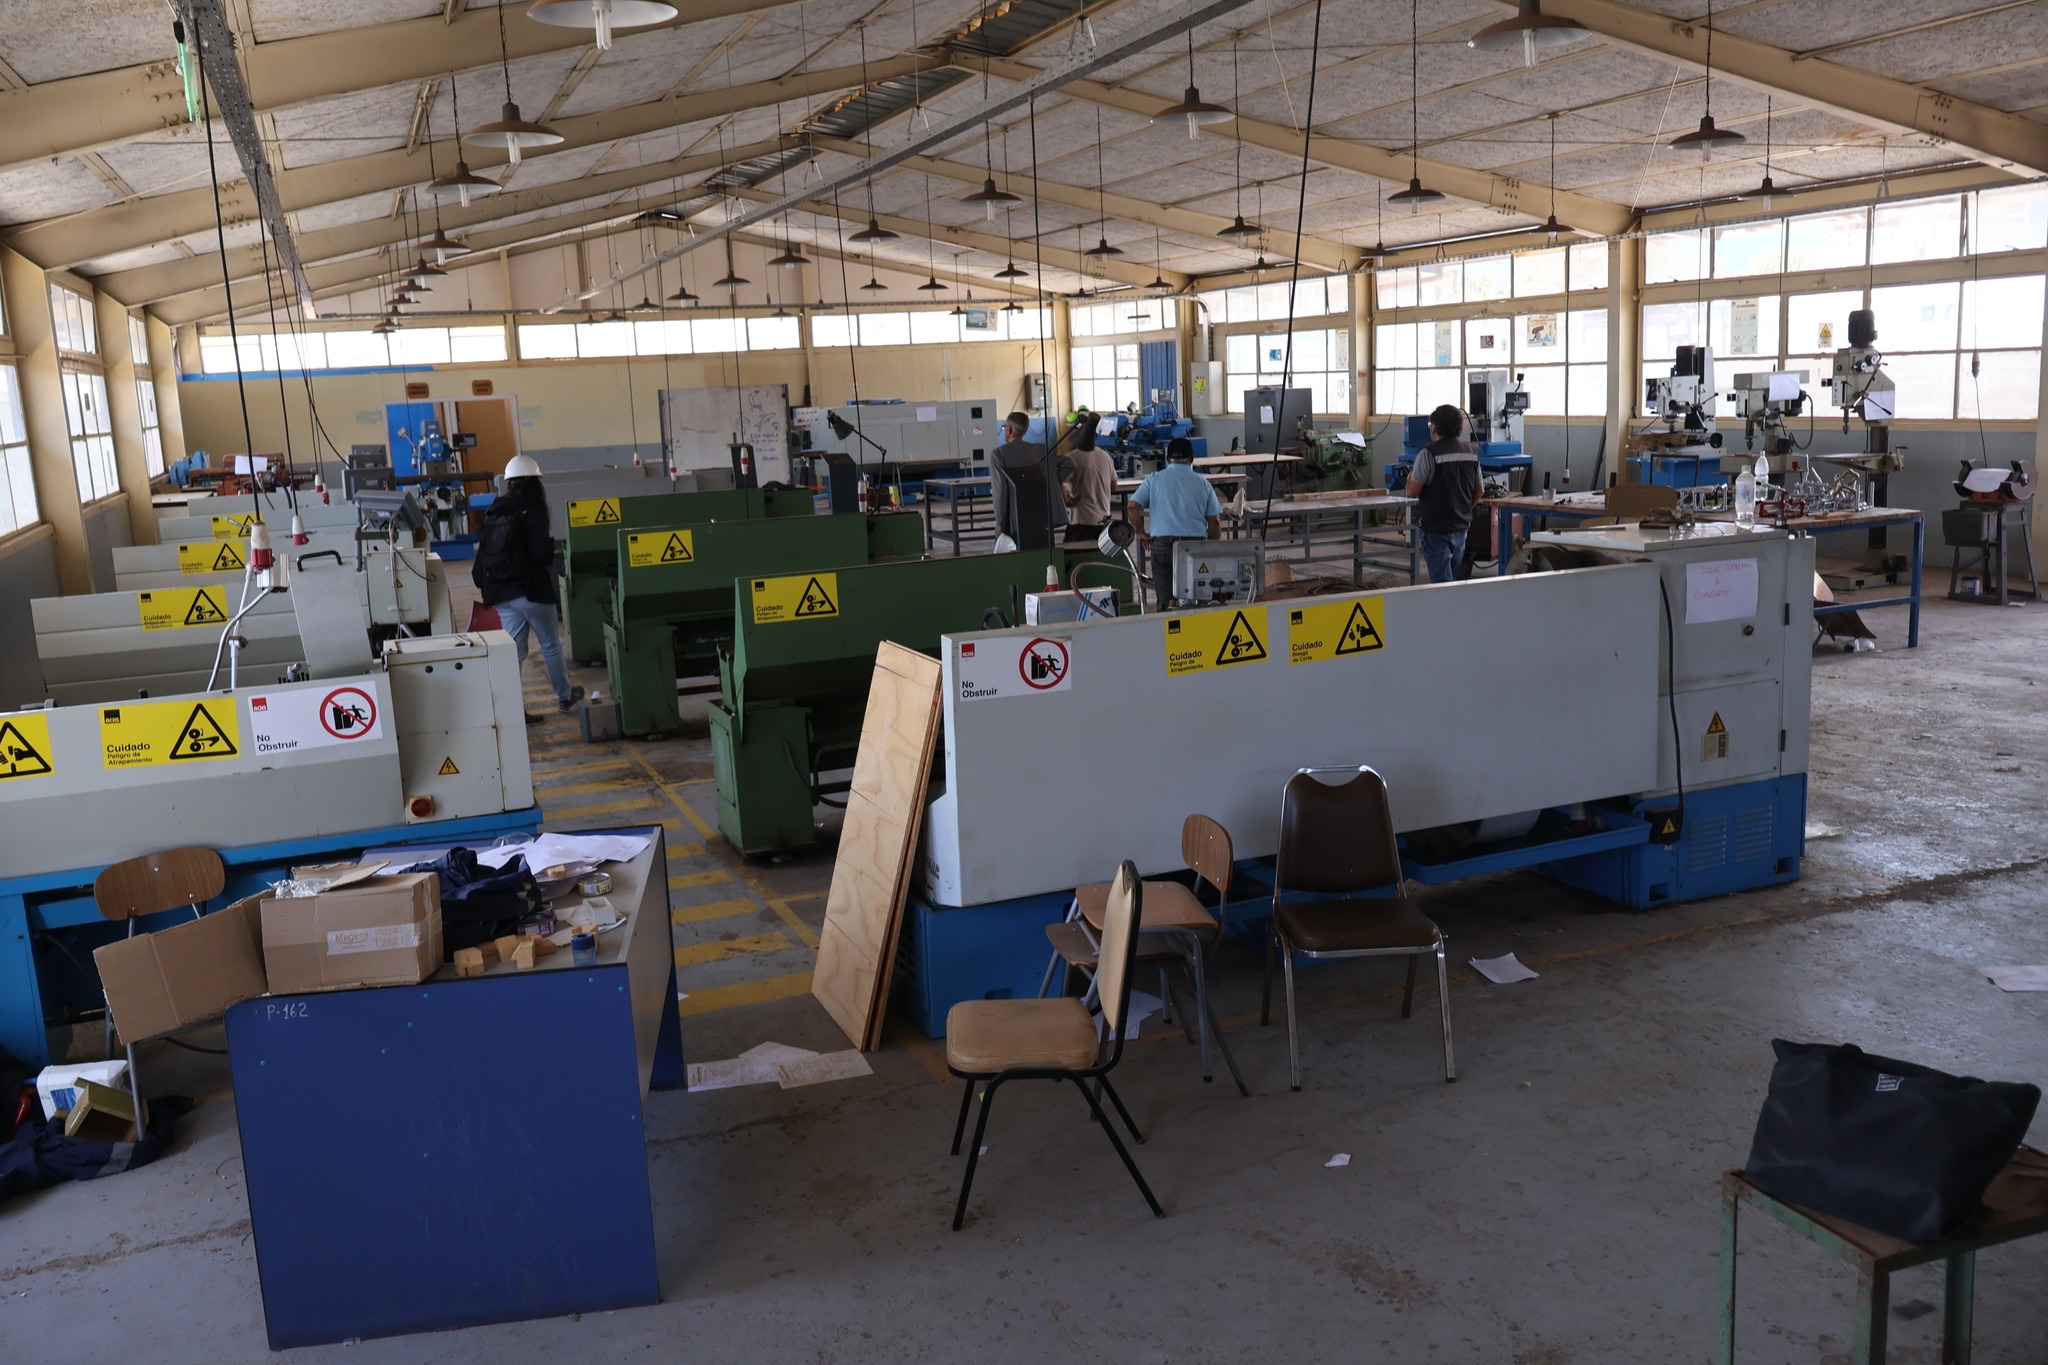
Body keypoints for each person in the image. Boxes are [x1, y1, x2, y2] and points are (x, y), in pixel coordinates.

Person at [472, 455, 583, 724]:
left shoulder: (493, 511)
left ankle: (512, 710)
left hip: (503, 595)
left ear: (509, 483)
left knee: (515, 653)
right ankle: (565, 696)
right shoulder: (532, 511)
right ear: (535, 484)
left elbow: (481, 563)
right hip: (532, 591)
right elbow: (543, 554)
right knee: (550, 646)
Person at [1129, 437, 1222, 609]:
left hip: (1162, 544)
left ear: (1167, 459)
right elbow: (1214, 522)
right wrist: (1213, 546)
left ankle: (1166, 622)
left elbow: (1132, 506)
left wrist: (1140, 532)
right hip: (1194, 545)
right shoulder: (1203, 483)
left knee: (1165, 596)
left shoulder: (1153, 479)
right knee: (1196, 594)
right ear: (1192, 459)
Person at [1405, 403, 1483, 585]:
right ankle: (1453, 610)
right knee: (1450, 581)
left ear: (1434, 428)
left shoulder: (1428, 454)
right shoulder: (1472, 453)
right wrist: (1464, 509)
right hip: (1461, 527)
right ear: (1461, 428)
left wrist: (1410, 478)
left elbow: (1412, 491)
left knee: (1442, 584)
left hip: (1436, 529)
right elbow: (1480, 491)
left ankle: (1447, 612)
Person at [989, 411, 1074, 549]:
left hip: (1016, 519)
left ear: (1009, 429)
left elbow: (1000, 493)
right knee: (1044, 554)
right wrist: (1051, 481)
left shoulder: (999, 454)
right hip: (1043, 516)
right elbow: (1069, 464)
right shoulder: (1041, 449)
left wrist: (1000, 525)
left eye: (1005, 427)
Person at [1063, 410, 1116, 543]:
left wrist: (1066, 498)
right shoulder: (1106, 456)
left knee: (1075, 560)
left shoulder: (1071, 458)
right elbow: (1113, 486)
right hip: (1105, 520)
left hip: (1082, 522)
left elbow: (1057, 480)